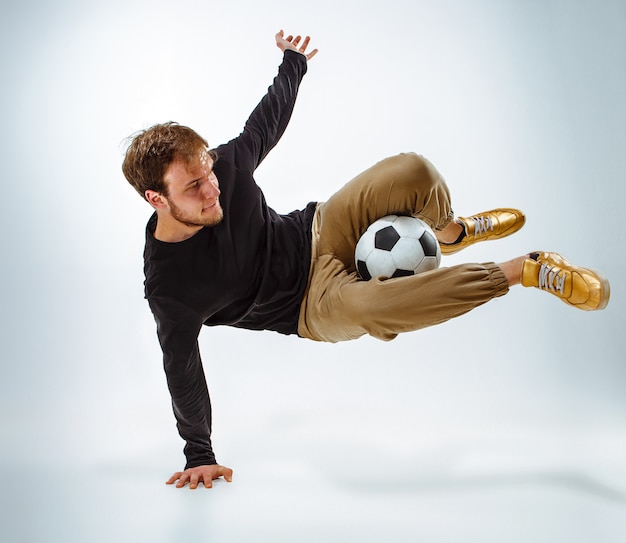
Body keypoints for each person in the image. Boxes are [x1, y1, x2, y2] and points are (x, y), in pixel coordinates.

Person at [121, 31, 610, 490]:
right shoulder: (171, 286)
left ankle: (450, 233)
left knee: (412, 170)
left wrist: (293, 65)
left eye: (208, 171)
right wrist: (198, 452)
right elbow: (181, 367)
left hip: (317, 229)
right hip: (307, 305)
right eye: (194, 187)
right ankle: (526, 269)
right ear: (155, 199)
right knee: (369, 309)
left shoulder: (224, 168)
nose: (213, 188)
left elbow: (263, 125)